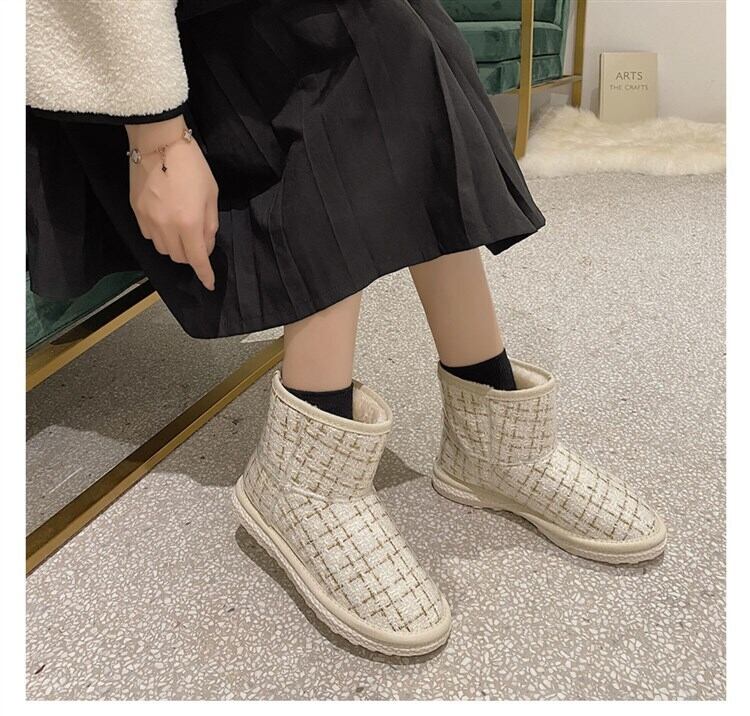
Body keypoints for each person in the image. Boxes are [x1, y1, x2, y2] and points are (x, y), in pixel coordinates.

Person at [26, 0, 667, 656]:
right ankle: (309, 470)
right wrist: (157, 141)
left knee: (396, 29)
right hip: (115, 68)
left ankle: (491, 435)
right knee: (354, 47)